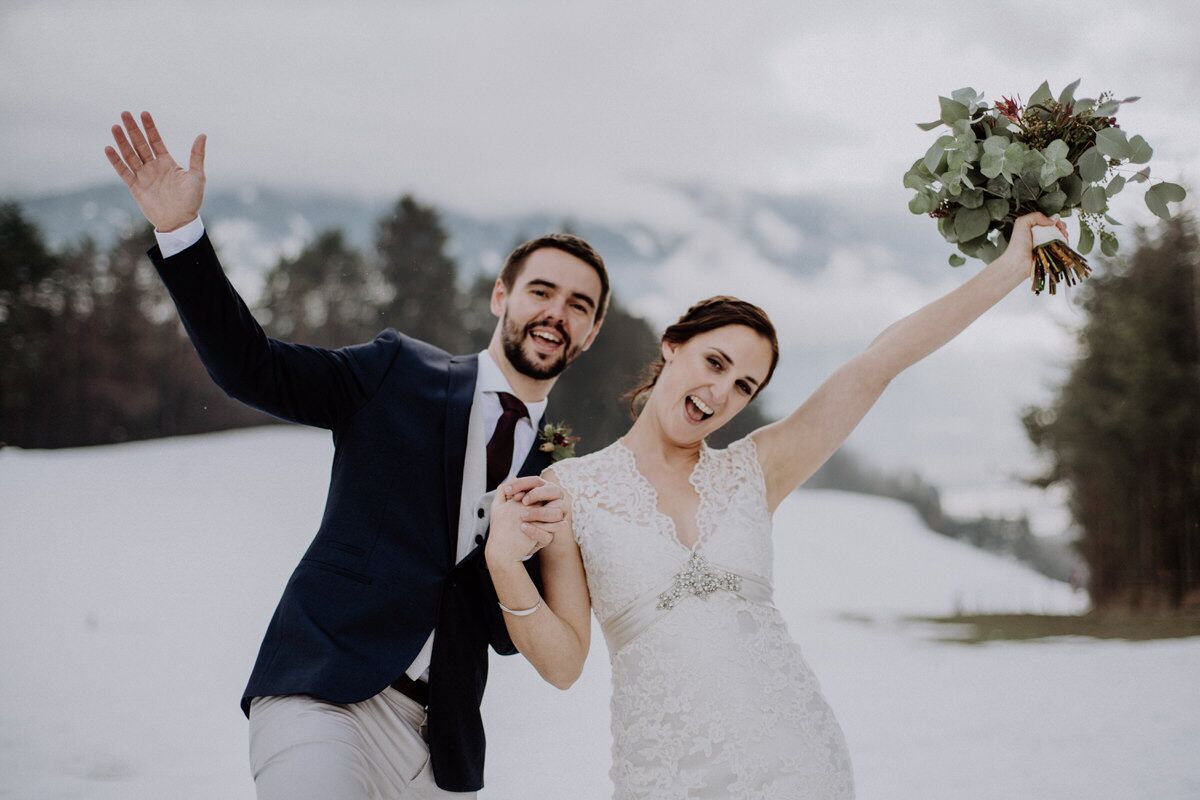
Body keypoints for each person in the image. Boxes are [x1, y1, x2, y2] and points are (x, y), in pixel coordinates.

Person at [103, 110, 604, 798]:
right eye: (541, 291)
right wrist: (180, 235)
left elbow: (515, 634)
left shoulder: (558, 475)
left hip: (438, 749)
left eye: (579, 304)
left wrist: (510, 563)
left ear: (593, 330)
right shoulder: (398, 372)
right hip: (321, 690)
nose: (557, 312)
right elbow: (256, 369)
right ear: (501, 296)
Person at [484, 211, 1069, 799]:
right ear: (673, 344)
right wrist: (505, 566)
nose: (720, 394)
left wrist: (1012, 268)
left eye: (744, 386)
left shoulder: (754, 471)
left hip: (798, 764)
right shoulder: (573, 490)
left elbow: (881, 360)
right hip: (666, 777)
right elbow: (563, 666)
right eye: (715, 362)